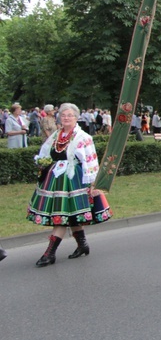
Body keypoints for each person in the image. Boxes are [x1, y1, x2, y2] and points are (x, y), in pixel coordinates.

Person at [27, 103, 111, 267]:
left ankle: (49, 253)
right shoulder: (56, 135)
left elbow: (91, 160)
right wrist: (42, 162)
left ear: (77, 117)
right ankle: (82, 245)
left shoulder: (84, 137)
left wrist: (93, 183)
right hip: (55, 179)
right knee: (71, 215)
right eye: (63, 115)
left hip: (74, 180)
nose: (66, 118)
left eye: (70, 115)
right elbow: (45, 152)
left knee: (62, 216)